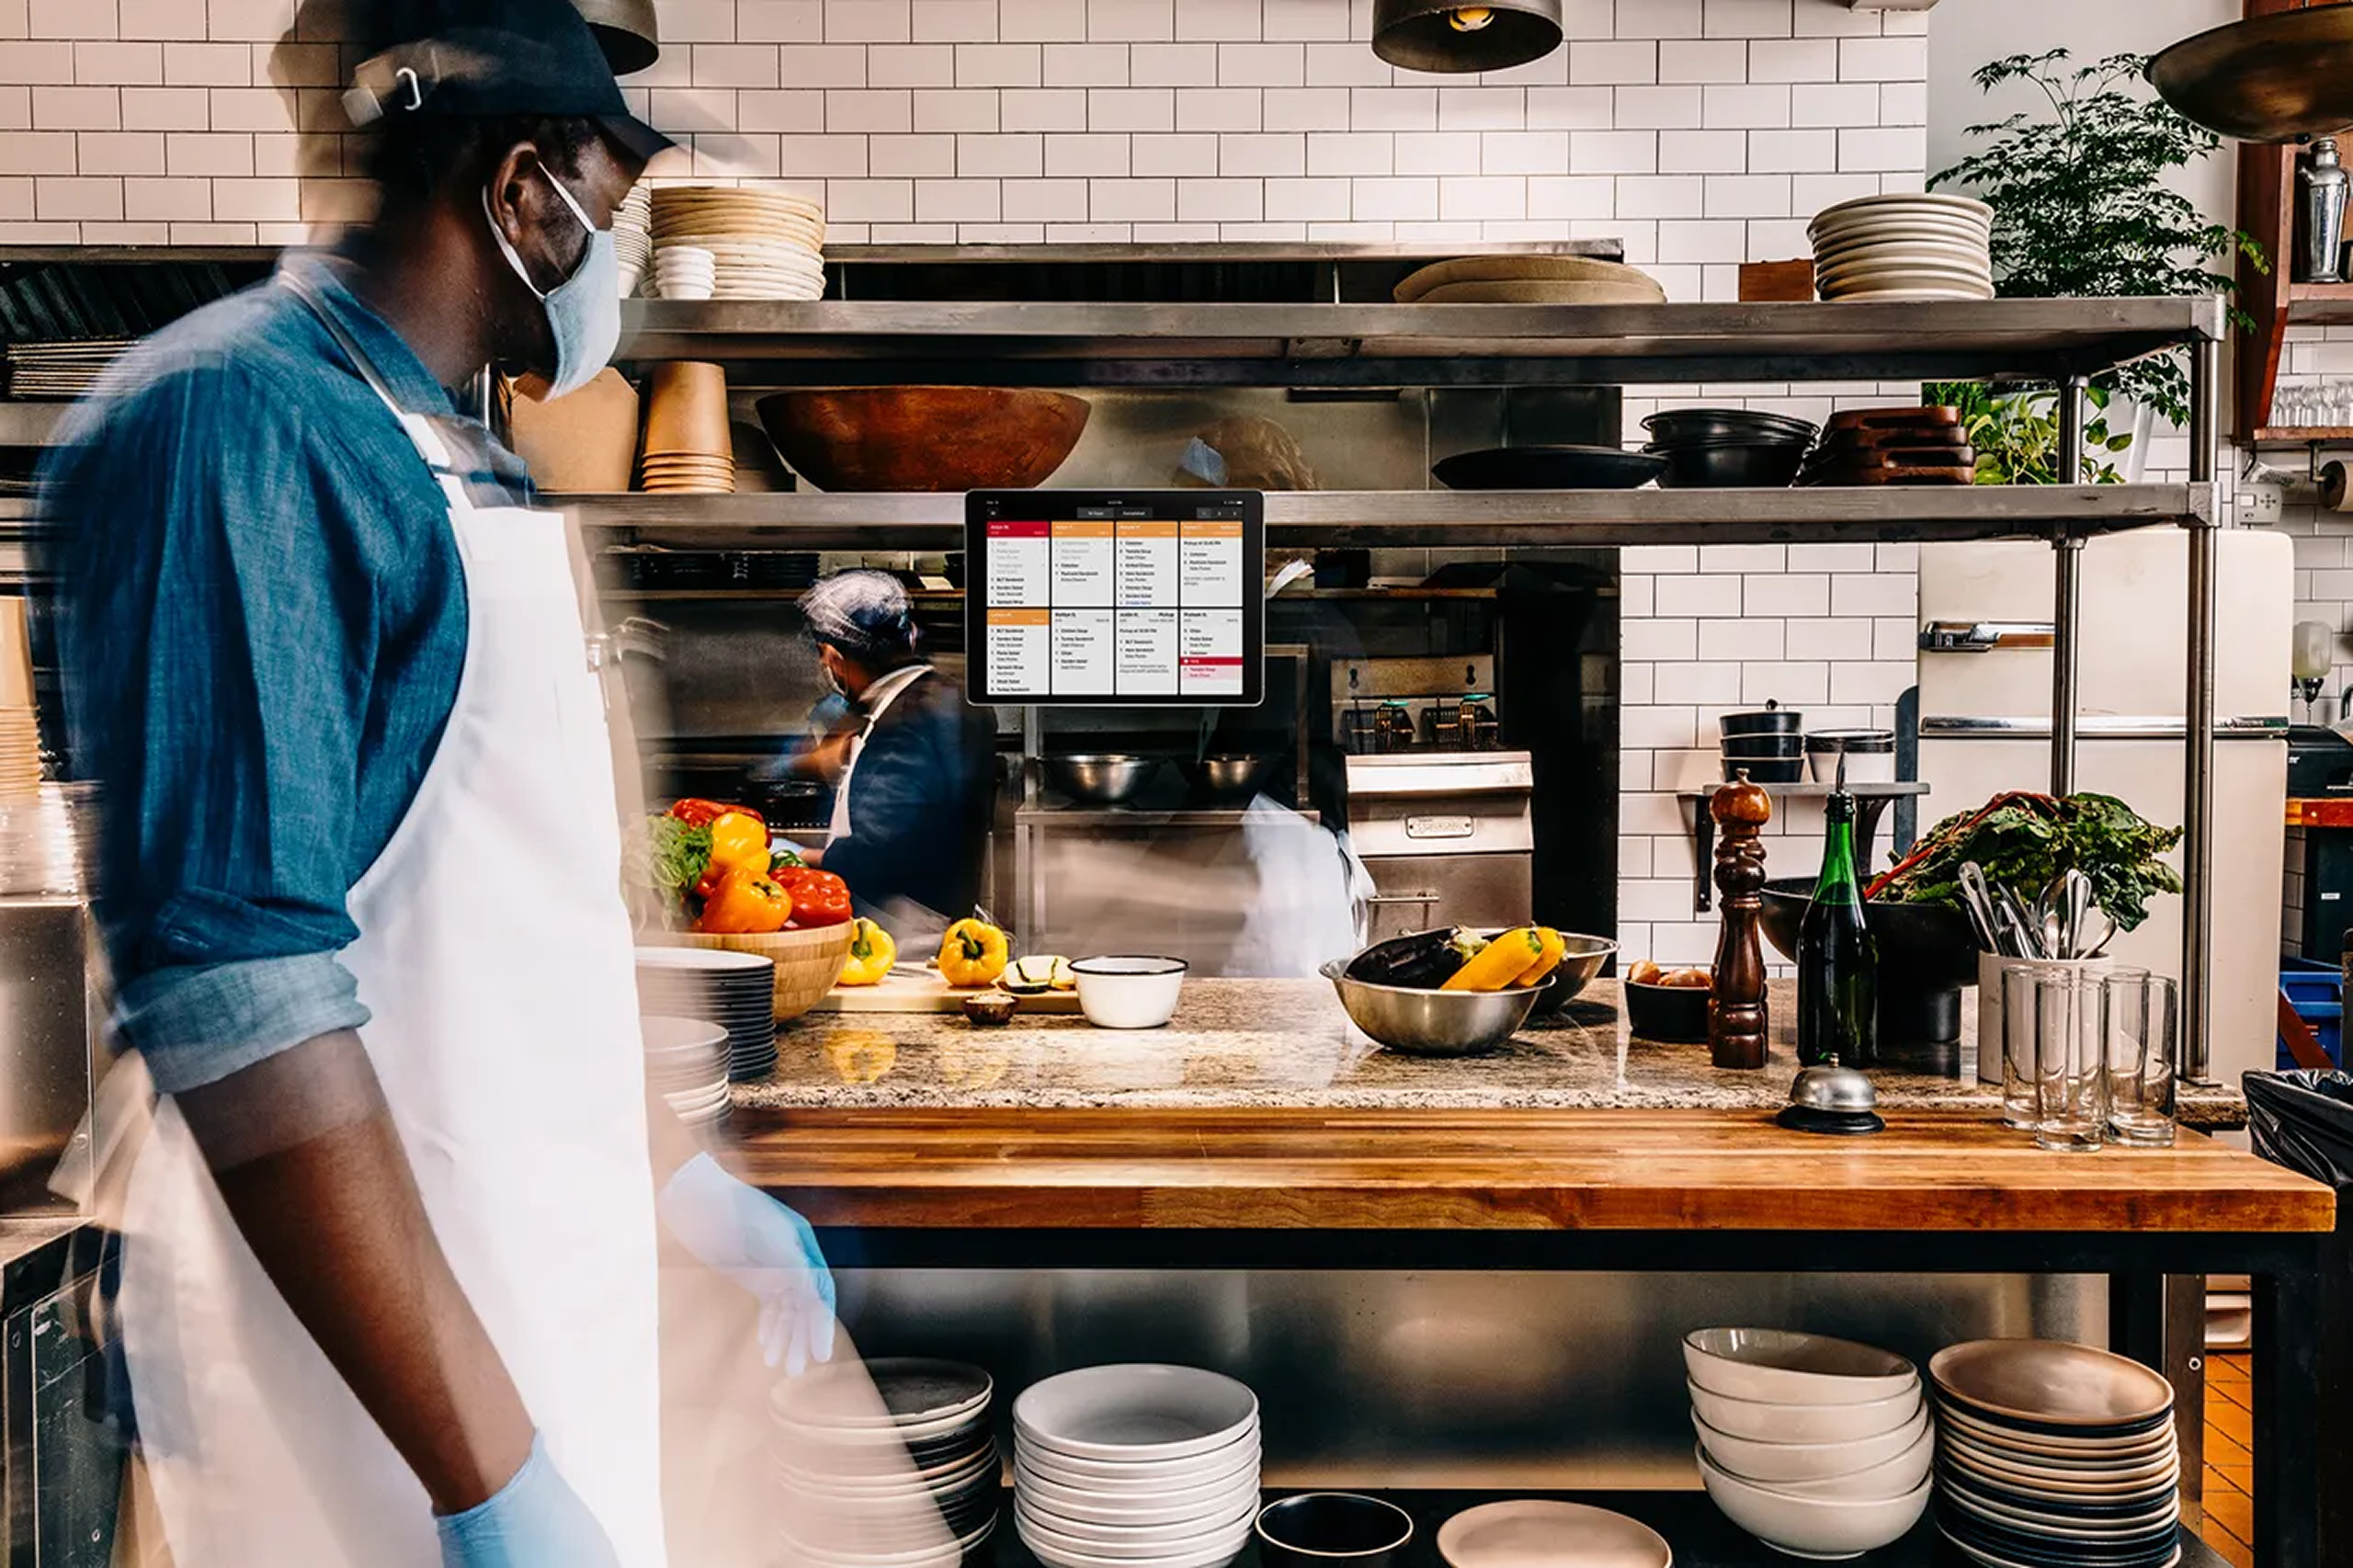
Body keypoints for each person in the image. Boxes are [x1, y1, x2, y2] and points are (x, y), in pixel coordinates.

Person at [43, 5, 835, 1567]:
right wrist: (490, 1484)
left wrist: (671, 1171)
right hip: (370, 1414)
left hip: (522, 1307)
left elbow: (506, 944)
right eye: (609, 206)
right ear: (522, 189)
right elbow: (239, 991)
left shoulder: (457, 456)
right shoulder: (241, 423)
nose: (615, 258)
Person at [788, 572, 997, 929]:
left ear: (835, 656)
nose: (825, 666)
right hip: (937, 913)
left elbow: (878, 854)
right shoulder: (947, 696)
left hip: (903, 933)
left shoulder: (906, 722)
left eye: (823, 655)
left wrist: (791, 856)